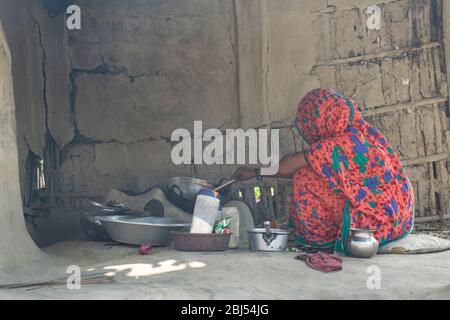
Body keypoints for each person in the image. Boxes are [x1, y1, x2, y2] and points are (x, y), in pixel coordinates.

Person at [232, 88, 414, 254]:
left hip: (374, 225)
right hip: (399, 217)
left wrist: (254, 171)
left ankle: (318, 243)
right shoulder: (366, 134)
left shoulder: (335, 145)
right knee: (315, 172)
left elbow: (287, 166)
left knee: (305, 177)